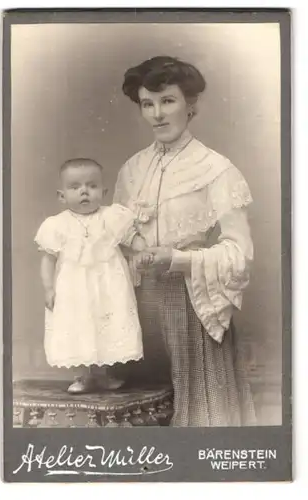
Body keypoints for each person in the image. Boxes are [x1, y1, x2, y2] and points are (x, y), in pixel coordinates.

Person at [114, 56, 256, 426]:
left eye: (168, 101)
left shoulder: (216, 169)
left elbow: (239, 254)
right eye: (148, 103)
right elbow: (114, 237)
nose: (157, 114)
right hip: (138, 309)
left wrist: (177, 258)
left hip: (193, 306)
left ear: (191, 105)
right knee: (144, 416)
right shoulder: (131, 170)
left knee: (198, 420)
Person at [34, 158, 146, 394]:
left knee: (106, 323)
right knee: (79, 326)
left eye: (92, 186)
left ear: (103, 192)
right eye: (75, 187)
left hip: (108, 283)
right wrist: (48, 288)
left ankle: (103, 375)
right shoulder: (57, 224)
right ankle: (82, 375)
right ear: (62, 196)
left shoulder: (111, 217)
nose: (84, 191)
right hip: (74, 287)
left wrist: (143, 248)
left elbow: (131, 239)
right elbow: (48, 259)